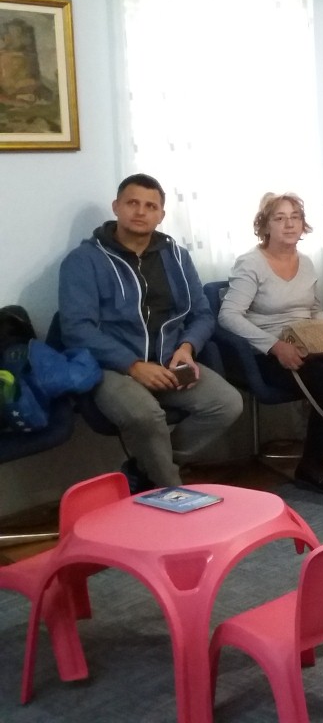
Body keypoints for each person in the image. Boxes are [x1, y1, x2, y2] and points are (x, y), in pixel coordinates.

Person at [59, 173, 243, 490]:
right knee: (145, 416)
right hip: (113, 367)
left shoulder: (177, 257)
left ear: (161, 214)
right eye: (132, 203)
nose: (141, 211)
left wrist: (187, 348)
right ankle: (171, 491)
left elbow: (202, 314)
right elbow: (76, 329)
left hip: (170, 360)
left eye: (150, 206)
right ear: (116, 207)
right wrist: (132, 365)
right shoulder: (83, 261)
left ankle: (147, 468)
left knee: (227, 403)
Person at [218, 192, 323, 495]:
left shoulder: (306, 262)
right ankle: (312, 466)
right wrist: (275, 346)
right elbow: (228, 316)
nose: (289, 224)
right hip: (269, 355)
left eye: (295, 217)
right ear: (265, 225)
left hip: (310, 344)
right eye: (279, 218)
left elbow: (314, 308)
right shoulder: (250, 263)